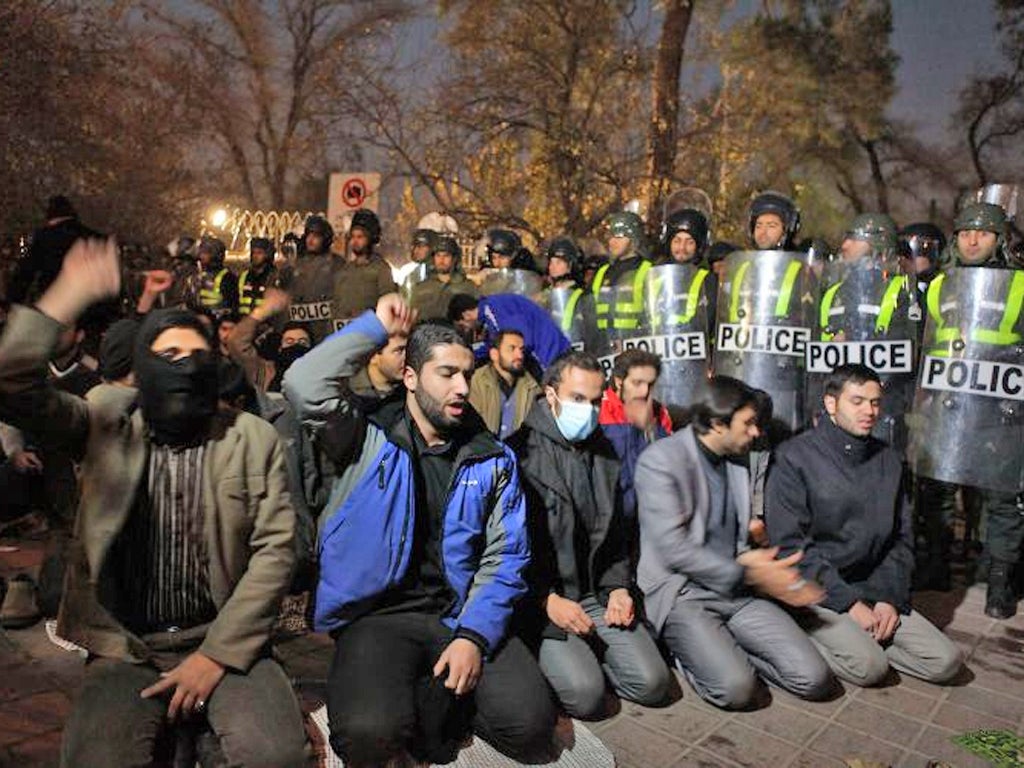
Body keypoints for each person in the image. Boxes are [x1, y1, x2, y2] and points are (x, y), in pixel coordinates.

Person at [0, 238, 306, 768]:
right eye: (167, 357)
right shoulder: (104, 420)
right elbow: (11, 381)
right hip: (127, 646)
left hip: (227, 639)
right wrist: (68, 294)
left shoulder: (251, 437)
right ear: (142, 369)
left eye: (197, 357)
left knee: (273, 754)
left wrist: (217, 655)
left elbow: (276, 551)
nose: (183, 369)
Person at [283, 296, 557, 766]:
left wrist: (473, 636)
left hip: (457, 611)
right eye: (446, 373)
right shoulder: (366, 435)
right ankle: (411, 696)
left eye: (467, 374)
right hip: (377, 616)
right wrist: (373, 327)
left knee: (530, 728)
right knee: (369, 738)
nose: (461, 387)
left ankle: (437, 701)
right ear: (410, 378)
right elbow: (302, 383)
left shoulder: (490, 456)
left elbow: (506, 556)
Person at [635, 376, 834, 710]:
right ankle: (691, 655)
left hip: (735, 590)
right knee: (735, 691)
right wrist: (754, 574)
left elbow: (740, 540)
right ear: (716, 424)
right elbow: (675, 550)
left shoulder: (736, 455)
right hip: (683, 592)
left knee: (814, 679)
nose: (757, 433)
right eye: (749, 424)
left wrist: (767, 570)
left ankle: (724, 656)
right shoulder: (661, 460)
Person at [766, 364, 963, 686]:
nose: (868, 411)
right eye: (856, 401)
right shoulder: (794, 457)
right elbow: (790, 545)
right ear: (831, 404)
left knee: (945, 663)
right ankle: (796, 630)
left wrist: (888, 598)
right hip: (818, 589)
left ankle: (862, 641)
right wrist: (849, 604)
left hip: (873, 587)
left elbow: (901, 538)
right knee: (869, 668)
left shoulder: (889, 460)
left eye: (874, 402)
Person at [509, 350, 671, 718]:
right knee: (585, 696)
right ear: (550, 395)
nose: (590, 410)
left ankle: (590, 656)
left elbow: (615, 537)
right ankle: (562, 661)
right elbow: (507, 552)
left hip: (594, 594)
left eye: (597, 401)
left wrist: (618, 587)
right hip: (543, 602)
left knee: (653, 683)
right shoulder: (518, 454)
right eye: (578, 399)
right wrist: (544, 601)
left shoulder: (605, 453)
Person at [917, 202, 1024, 617]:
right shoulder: (941, 285)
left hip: (1003, 408)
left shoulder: (1019, 285)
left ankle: (999, 581)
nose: (972, 240)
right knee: (937, 489)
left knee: (1003, 498)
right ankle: (936, 566)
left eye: (982, 233)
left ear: (1000, 240)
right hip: (949, 403)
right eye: (964, 233)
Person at [599, 349, 672, 524]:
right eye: (637, 383)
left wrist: (650, 429)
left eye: (650, 384)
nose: (645, 391)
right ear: (618, 381)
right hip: (611, 521)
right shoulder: (598, 411)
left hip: (650, 519)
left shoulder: (659, 412)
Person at [7, 195, 98, 305]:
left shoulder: (43, 237)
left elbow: (25, 273)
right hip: (91, 306)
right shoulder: (94, 238)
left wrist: (12, 301)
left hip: (55, 305)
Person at [468, 328, 540, 440]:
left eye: (521, 350)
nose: (519, 355)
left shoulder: (532, 387)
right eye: (512, 349)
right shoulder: (476, 382)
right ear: (494, 354)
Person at [591, 211, 653, 333]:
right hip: (603, 345)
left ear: (634, 238)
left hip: (636, 345)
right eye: (611, 236)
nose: (612, 242)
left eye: (619, 237)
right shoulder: (602, 272)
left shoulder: (648, 270)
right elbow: (589, 311)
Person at [332, 208, 398, 320]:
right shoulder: (346, 269)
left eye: (360, 237)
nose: (355, 241)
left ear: (370, 238)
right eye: (352, 237)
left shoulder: (381, 269)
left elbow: (388, 303)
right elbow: (336, 304)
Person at [409, 235, 479, 320]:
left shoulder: (468, 287)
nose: (441, 260)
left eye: (446, 256)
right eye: (438, 255)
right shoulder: (421, 288)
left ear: (454, 259)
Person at [191, 236, 238, 319]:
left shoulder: (227, 278)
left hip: (217, 323)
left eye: (205, 253)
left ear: (215, 255)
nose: (201, 256)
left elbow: (233, 306)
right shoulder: (196, 275)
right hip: (196, 322)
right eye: (201, 252)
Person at [238, 236, 279, 316]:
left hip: (265, 324)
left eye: (259, 253)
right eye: (253, 252)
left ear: (268, 255)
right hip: (244, 322)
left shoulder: (275, 277)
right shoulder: (245, 276)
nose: (255, 256)